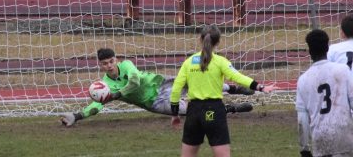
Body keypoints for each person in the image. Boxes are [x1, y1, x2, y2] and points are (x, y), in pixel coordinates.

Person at [60, 48, 255, 127]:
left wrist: (117, 94)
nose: (109, 65)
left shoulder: (126, 65)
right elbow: (97, 105)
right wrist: (77, 116)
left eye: (111, 61)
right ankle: (229, 109)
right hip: (154, 101)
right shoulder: (105, 85)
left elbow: (135, 81)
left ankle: (233, 89)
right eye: (104, 63)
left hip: (159, 82)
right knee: (192, 111)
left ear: (116, 60)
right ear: (100, 65)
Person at [170, 24, 276, 157]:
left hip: (193, 113)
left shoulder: (189, 62)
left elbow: (175, 89)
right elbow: (238, 77)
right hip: (214, 111)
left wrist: (175, 115)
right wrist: (261, 87)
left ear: (200, 39)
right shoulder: (221, 61)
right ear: (218, 42)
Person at [296, 29, 353, 157]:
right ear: (328, 48)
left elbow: (302, 120)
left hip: (320, 139)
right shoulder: (343, 71)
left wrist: (304, 149)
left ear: (309, 51)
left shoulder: (303, 80)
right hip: (344, 136)